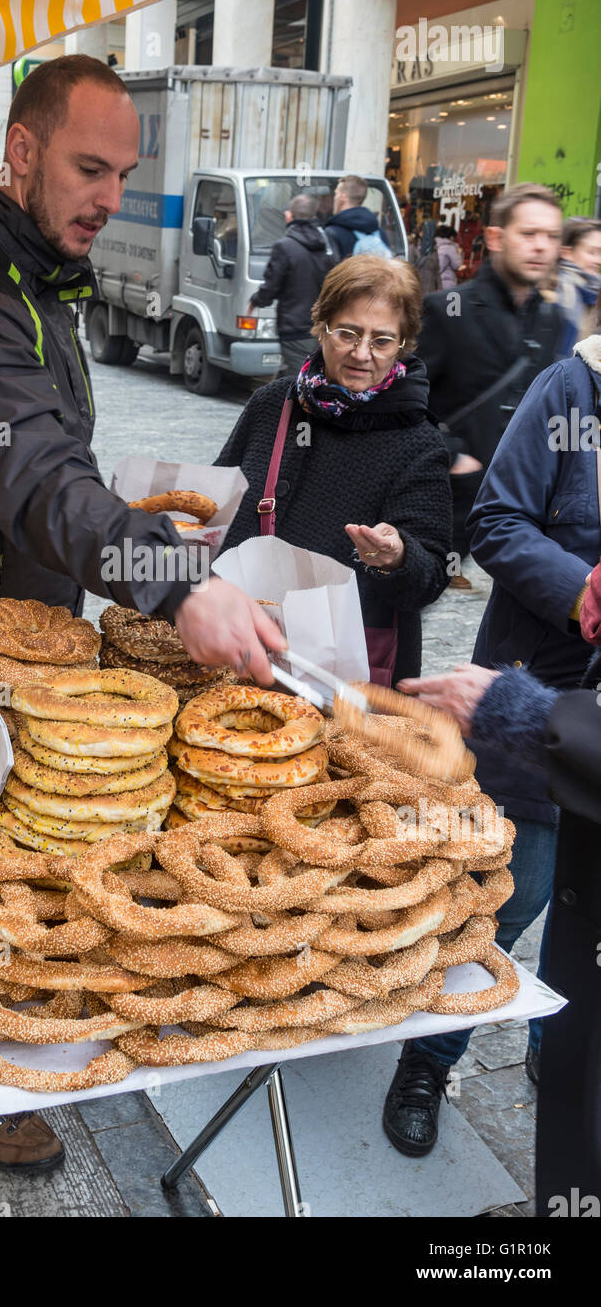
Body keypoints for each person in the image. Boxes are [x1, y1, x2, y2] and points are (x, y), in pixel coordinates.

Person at [0, 55, 283, 1172]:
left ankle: (13, 1050)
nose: (109, 195)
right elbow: (41, 483)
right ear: (22, 151)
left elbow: (60, 474)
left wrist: (138, 534)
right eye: (89, 167)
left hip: (36, 636)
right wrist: (178, 582)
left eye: (124, 175)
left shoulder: (42, 276)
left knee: (45, 862)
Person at [381, 331, 601, 1159]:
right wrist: (581, 587)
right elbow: (497, 522)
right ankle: (426, 1063)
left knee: (588, 933)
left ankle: (559, 1058)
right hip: (534, 695)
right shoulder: (569, 391)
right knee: (508, 899)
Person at [386, 622, 601, 1211]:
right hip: (550, 764)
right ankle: (429, 1059)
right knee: (495, 919)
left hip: (555, 734)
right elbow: (498, 527)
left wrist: (521, 709)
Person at [215, 255, 452, 684]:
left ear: (403, 344)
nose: (362, 353)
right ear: (321, 326)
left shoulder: (418, 442)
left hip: (346, 669)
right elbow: (218, 504)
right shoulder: (272, 405)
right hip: (242, 647)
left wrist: (397, 557)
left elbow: (431, 576)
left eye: (382, 340)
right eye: (348, 333)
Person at [418, 182, 564, 590]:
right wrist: (454, 457)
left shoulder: (549, 318)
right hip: (445, 501)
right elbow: (405, 402)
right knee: (399, 614)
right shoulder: (449, 309)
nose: (541, 247)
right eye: (529, 234)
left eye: (551, 237)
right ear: (497, 238)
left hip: (517, 507)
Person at [246, 192, 338, 377]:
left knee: (297, 379)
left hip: (294, 326)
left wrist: (255, 301)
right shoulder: (327, 243)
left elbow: (271, 286)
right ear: (313, 216)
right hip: (321, 325)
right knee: (303, 373)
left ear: (289, 216)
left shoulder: (285, 246)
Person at [553, 215, 601, 354]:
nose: (598, 260)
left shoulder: (592, 291)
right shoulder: (556, 292)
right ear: (567, 253)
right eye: (592, 252)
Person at [325, 174, 391, 260]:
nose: (334, 198)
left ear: (342, 197)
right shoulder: (379, 232)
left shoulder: (333, 232)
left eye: (336, 193)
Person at [435, 224, 462, 289]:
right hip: (447, 282)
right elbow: (457, 265)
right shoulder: (450, 247)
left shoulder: (435, 245)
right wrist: (458, 253)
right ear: (451, 237)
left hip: (434, 282)